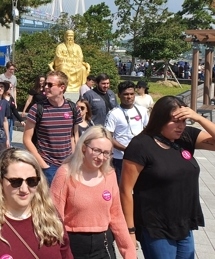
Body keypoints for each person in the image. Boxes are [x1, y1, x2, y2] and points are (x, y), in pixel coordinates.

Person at [120, 96, 215, 259]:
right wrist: (130, 231)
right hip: (156, 227)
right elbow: (125, 190)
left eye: (184, 121)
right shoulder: (141, 145)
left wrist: (198, 117)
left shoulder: (186, 137)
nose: (181, 126)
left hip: (184, 224)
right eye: (175, 121)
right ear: (160, 119)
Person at [0, 148, 73, 258]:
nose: (24, 189)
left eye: (31, 181)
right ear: (0, 181)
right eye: (16, 182)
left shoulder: (50, 216)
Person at [51, 126, 136, 259]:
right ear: (84, 148)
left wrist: (129, 253)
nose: (101, 157)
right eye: (96, 150)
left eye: (106, 153)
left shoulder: (109, 175)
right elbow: (55, 217)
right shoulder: (65, 173)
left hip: (103, 245)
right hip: (73, 245)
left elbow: (117, 217)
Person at [23, 71, 82, 185]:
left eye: (50, 85)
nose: (45, 87)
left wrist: (74, 159)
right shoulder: (37, 108)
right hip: (47, 165)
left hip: (68, 164)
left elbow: (74, 137)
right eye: (45, 84)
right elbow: (26, 139)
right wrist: (44, 166)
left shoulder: (73, 108)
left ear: (62, 88)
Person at [104, 81, 148, 183]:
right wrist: (126, 149)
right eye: (126, 94)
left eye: (132, 94)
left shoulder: (142, 111)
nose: (129, 97)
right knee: (121, 188)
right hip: (120, 158)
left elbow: (147, 130)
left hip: (139, 157)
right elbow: (108, 137)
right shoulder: (114, 114)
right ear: (119, 95)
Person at [3, 80, 25, 145]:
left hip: (11, 119)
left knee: (9, 137)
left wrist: (21, 120)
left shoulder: (11, 97)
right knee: (4, 137)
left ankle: (9, 147)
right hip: (3, 120)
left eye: (11, 88)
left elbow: (14, 110)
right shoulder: (1, 98)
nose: (10, 89)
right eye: (9, 88)